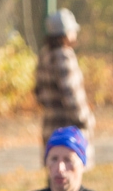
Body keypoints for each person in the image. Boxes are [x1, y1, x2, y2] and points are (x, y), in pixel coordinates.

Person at [35, 9, 95, 142]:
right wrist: (86, 120)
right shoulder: (63, 56)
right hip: (70, 132)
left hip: (50, 128)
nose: (75, 34)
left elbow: (39, 92)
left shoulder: (44, 54)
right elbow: (71, 94)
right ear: (65, 33)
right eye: (73, 30)